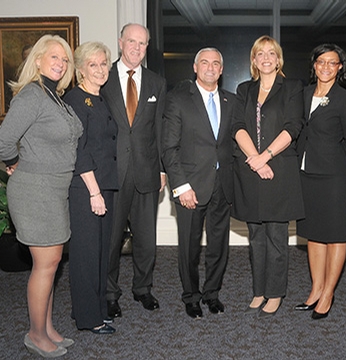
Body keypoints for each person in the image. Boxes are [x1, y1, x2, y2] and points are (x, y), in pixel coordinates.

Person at [0, 34, 82, 358]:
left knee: (52, 262)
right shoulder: (32, 95)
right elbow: (3, 142)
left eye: (65, 59)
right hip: (35, 189)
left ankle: (47, 328)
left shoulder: (54, 96)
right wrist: (16, 164)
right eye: (54, 57)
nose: (60, 63)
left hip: (55, 189)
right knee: (45, 264)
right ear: (39, 59)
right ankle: (35, 334)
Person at [231, 35, 305, 318]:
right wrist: (255, 160)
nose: (265, 57)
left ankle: (275, 293)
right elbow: (237, 126)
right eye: (259, 53)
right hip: (252, 171)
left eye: (270, 53)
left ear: (278, 59)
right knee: (256, 237)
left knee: (276, 237)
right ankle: (259, 290)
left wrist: (266, 157)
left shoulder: (292, 88)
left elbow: (292, 127)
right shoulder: (244, 89)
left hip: (279, 172)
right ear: (253, 59)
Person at [100, 23, 167, 320]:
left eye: (142, 43)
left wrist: (163, 169)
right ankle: (109, 294)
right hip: (112, 174)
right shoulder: (102, 78)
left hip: (146, 171)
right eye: (132, 41)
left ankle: (143, 289)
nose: (137, 48)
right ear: (120, 42)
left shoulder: (156, 82)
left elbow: (160, 130)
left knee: (146, 239)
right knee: (111, 240)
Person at [162, 47, 235, 319]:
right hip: (190, 188)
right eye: (204, 62)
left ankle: (212, 293)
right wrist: (181, 186)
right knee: (189, 248)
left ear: (221, 69)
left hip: (222, 186)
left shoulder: (231, 100)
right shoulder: (178, 99)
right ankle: (191, 296)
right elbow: (169, 147)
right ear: (195, 67)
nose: (210, 67)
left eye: (216, 63)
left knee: (219, 246)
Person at [294, 43, 346, 320]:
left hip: (333, 177)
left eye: (332, 63)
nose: (325, 67)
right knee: (313, 234)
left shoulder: (345, 98)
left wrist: (333, 159)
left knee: (334, 235)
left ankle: (329, 292)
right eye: (321, 61)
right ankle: (315, 288)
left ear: (340, 67)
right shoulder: (304, 93)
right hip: (305, 174)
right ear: (314, 64)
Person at [64, 41, 117, 335]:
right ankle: (88, 318)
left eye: (103, 63)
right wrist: (94, 192)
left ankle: (95, 309)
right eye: (92, 65)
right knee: (85, 254)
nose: (99, 69)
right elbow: (79, 150)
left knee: (100, 253)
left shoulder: (101, 98)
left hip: (105, 184)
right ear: (80, 69)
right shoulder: (74, 99)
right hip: (86, 188)